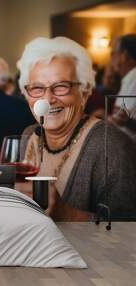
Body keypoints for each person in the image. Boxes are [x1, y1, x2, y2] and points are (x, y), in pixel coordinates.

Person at [17, 36, 136, 221]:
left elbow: (129, 235)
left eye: (61, 86)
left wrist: (69, 214)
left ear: (85, 93)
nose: (47, 100)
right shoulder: (28, 136)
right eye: (37, 88)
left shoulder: (111, 146)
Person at [110, 34, 136, 140]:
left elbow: (121, 119)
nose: (112, 58)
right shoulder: (129, 78)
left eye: (114, 53)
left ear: (124, 55)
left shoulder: (134, 78)